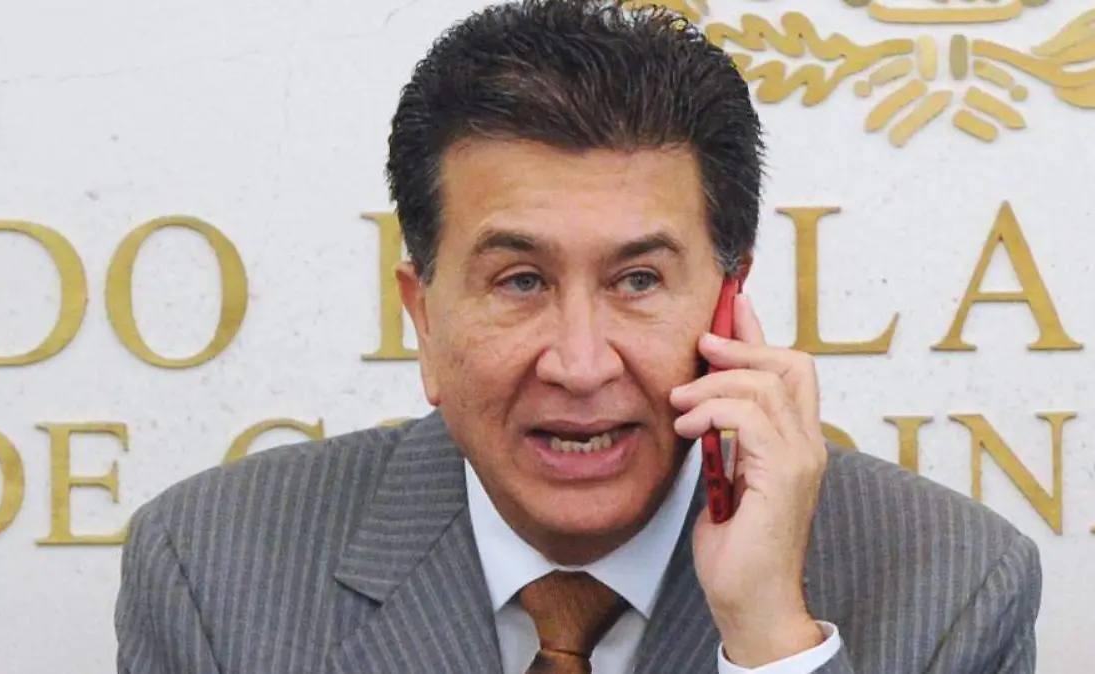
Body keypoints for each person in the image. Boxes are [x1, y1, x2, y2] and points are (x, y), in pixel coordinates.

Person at [113, 1, 1042, 672]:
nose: (581, 363)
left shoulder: (950, 584)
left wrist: (769, 642)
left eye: (638, 282)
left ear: (730, 305)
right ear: (423, 318)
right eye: (520, 281)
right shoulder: (210, 570)